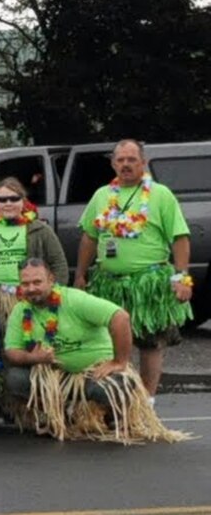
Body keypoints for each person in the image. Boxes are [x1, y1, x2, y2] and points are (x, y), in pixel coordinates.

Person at [4, 259, 186, 443]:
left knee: (110, 386)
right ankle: (58, 415)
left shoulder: (74, 299)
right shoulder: (21, 311)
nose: (31, 288)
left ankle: (114, 416)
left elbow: (120, 317)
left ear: (51, 279)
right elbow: (12, 351)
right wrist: (33, 357)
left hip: (94, 372)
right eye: (25, 284)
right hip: (55, 376)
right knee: (15, 378)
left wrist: (119, 362)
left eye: (37, 282)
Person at [75, 139, 192, 392]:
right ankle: (117, 397)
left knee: (150, 342)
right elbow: (89, 237)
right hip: (109, 284)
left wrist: (182, 278)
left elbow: (180, 237)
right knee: (110, 342)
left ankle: (147, 401)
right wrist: (81, 275)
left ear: (143, 162)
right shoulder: (102, 195)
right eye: (120, 160)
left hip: (148, 282)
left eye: (131, 160)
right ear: (113, 163)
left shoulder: (160, 194)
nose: (125, 165)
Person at [0, 178, 68, 321]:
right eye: (2, 200)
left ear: (23, 201)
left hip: (30, 298)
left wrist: (51, 294)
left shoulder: (40, 230)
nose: (8, 204)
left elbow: (59, 264)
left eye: (14, 199)